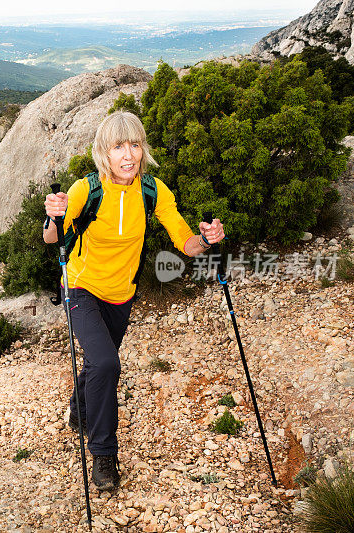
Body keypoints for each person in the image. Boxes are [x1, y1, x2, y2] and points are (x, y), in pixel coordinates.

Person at [42, 110, 225, 491]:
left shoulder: (153, 191)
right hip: (80, 287)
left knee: (99, 361)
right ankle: (104, 455)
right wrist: (53, 216)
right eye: (119, 146)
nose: (129, 155)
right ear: (103, 153)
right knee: (107, 362)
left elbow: (185, 243)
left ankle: (79, 407)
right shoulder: (85, 190)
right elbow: (50, 237)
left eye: (135, 145)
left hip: (122, 294)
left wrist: (206, 240)